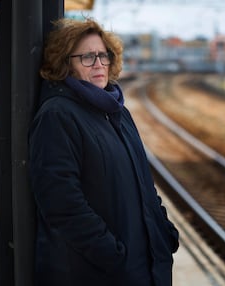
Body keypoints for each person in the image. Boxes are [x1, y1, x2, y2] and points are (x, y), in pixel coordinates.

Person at [29, 18, 179, 286]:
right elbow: (62, 203)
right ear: (66, 64)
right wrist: (111, 254)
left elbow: (144, 185)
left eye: (103, 55)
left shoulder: (118, 112)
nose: (98, 63)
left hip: (146, 267)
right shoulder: (58, 116)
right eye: (87, 57)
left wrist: (164, 232)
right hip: (103, 273)